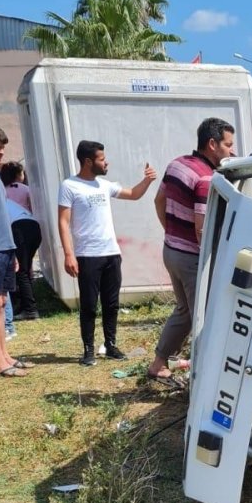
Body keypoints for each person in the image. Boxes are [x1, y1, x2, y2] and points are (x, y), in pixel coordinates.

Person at [147, 117, 235, 382]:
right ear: (212, 144)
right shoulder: (206, 178)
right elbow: (202, 229)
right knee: (203, 317)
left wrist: (172, 233)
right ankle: (205, 376)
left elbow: (159, 200)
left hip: (171, 251)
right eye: (228, 145)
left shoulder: (177, 164)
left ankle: (158, 364)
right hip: (192, 259)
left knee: (185, 311)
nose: (232, 151)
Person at [58, 141, 157, 367]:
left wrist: (148, 180)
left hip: (111, 253)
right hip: (87, 255)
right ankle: (88, 350)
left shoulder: (104, 185)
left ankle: (110, 345)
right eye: (102, 159)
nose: (106, 162)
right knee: (89, 305)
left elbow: (132, 194)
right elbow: (63, 223)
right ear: (88, 161)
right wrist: (68, 254)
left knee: (111, 303)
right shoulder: (70, 186)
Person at [0, 123, 26, 377]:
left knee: (1, 302)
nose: (2, 153)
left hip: (4, 247)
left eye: (3, 148)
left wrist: (11, 250)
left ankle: (4, 355)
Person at [6, 194, 41, 319]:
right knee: (23, 270)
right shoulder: (6, 200)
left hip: (20, 228)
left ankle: (30, 310)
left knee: (21, 272)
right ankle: (24, 305)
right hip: (33, 226)